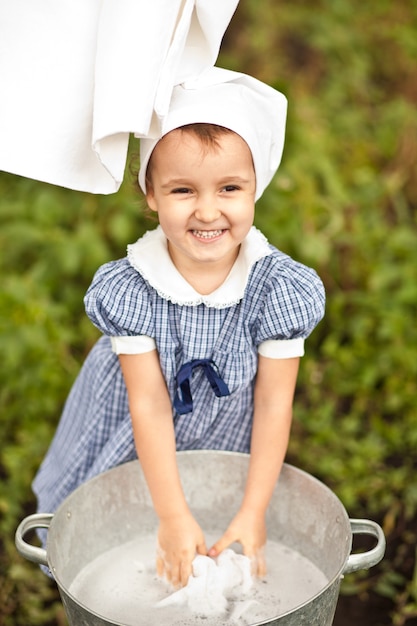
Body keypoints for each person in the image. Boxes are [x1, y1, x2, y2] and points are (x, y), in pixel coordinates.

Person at [33, 68, 325, 588]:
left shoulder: (279, 290)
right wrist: (169, 515)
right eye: (183, 190)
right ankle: (103, 577)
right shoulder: (133, 288)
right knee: (119, 526)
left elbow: (275, 403)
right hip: (132, 418)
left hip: (225, 427)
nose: (208, 210)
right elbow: (147, 403)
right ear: (150, 193)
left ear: (256, 186)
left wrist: (254, 509)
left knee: (217, 510)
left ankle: (216, 534)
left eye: (230, 187)